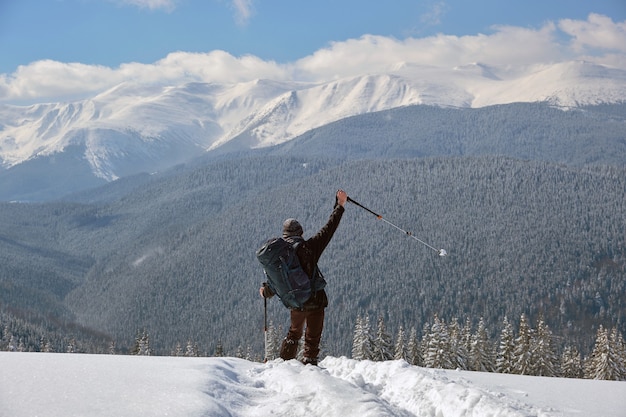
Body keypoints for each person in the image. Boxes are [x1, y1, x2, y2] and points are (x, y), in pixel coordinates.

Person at [259, 189, 347, 365]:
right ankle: (310, 367)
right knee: (312, 339)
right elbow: (329, 229)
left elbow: (276, 282)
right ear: (301, 232)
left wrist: (265, 291)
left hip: (296, 302)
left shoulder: (279, 257)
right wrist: (339, 206)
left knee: (294, 334)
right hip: (315, 299)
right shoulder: (309, 248)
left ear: (285, 235)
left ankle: (284, 366)